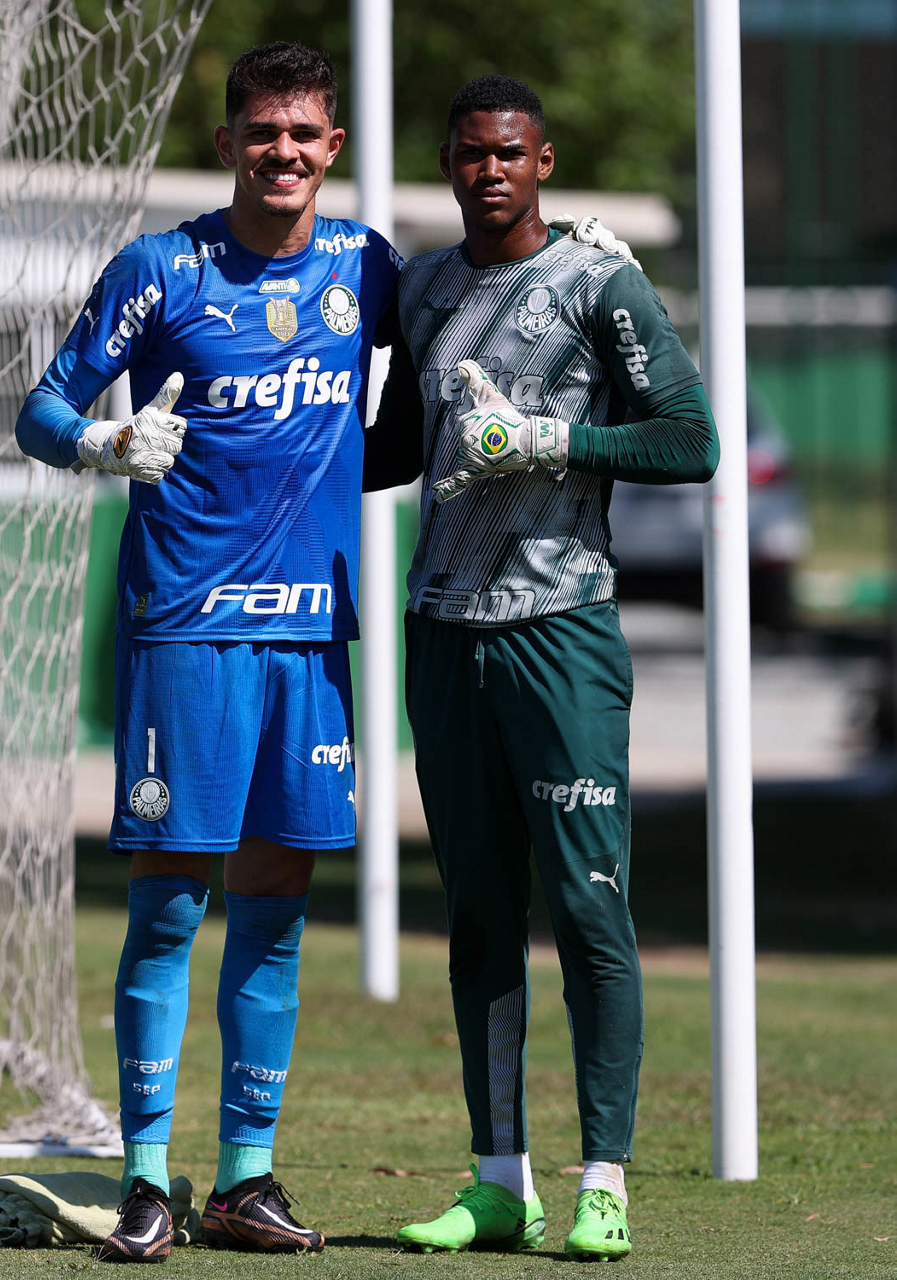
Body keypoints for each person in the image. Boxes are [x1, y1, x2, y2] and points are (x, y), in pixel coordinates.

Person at [15, 41, 404, 1262]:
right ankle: (146, 1177)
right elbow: (39, 408)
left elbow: (465, 319)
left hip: (312, 634)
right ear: (230, 141)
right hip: (187, 626)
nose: (283, 152)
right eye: (262, 131)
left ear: (332, 148)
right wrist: (105, 442)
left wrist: (567, 264)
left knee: (278, 908)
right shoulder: (161, 269)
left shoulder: (367, 265)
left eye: (304, 134)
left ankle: (243, 1178)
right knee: (172, 901)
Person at [364, 75, 719, 1262]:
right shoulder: (421, 288)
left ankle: (603, 1178)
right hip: (442, 632)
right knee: (477, 913)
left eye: (510, 153)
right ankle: (497, 1180)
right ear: (449, 163)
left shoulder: (596, 280)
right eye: (471, 153)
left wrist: (551, 437)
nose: (490, 171)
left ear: (544, 161)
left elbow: (692, 438)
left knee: (587, 906)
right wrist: (242, 452)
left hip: (561, 633)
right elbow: (394, 446)